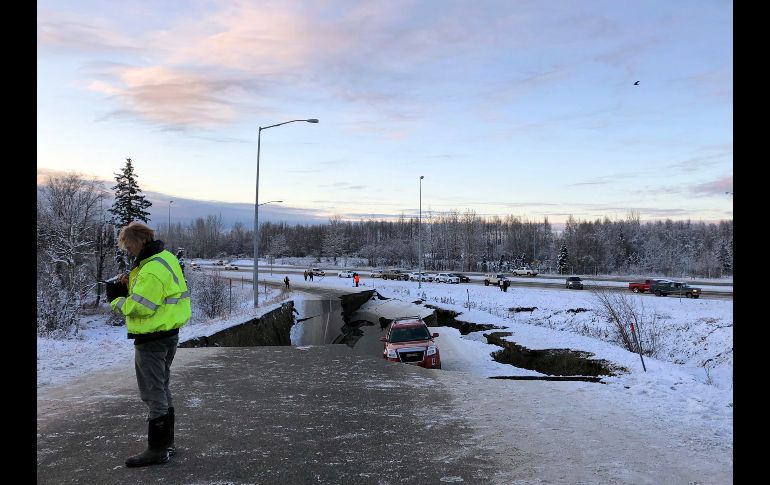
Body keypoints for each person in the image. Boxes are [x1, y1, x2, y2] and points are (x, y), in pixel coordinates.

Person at [105, 222, 191, 468]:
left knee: (153, 392)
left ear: (140, 241)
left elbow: (141, 306)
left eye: (129, 246)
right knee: (162, 388)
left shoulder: (151, 268)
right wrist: (130, 283)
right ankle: (168, 443)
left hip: (152, 338)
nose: (129, 251)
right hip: (168, 333)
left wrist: (117, 299)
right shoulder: (165, 258)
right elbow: (157, 295)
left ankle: (157, 449)